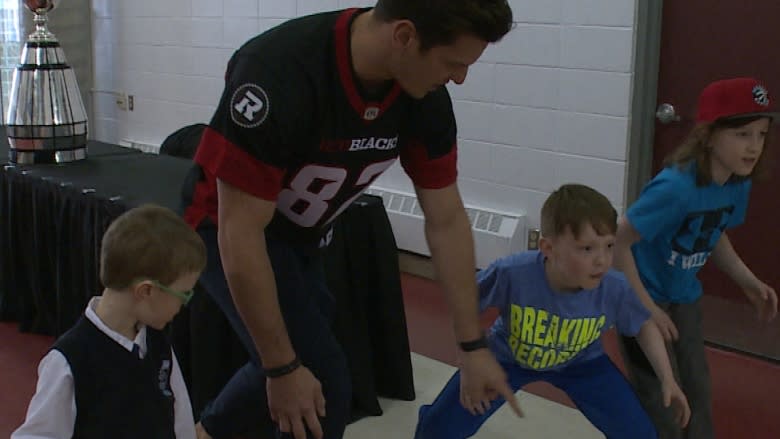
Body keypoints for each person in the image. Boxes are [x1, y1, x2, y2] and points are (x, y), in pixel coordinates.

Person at [181, 1, 521, 439]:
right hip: (223, 229)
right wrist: (282, 368)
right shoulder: (278, 70)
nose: (459, 78)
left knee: (303, 355)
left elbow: (446, 219)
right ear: (403, 36)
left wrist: (471, 344)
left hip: (303, 234)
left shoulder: (424, 100)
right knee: (318, 380)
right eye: (453, 63)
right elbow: (240, 232)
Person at [414, 184, 691, 439]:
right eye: (586, 248)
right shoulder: (513, 273)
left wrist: (668, 379)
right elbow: (464, 305)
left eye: (609, 246)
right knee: (438, 430)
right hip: (508, 358)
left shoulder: (614, 287)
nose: (602, 260)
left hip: (581, 363)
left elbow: (643, 325)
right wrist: (469, 361)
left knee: (639, 433)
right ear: (548, 248)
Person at [614, 77, 779, 438]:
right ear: (708, 134)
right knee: (662, 398)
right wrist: (645, 307)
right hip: (642, 295)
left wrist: (748, 281)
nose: (754, 147)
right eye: (742, 135)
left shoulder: (737, 182)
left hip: (683, 295)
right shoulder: (675, 188)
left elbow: (712, 234)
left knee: (697, 389)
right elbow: (617, 243)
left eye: (761, 135)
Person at [12, 204, 206, 439]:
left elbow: (181, 421)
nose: (184, 306)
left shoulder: (158, 345)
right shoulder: (70, 361)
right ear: (146, 291)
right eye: (184, 294)